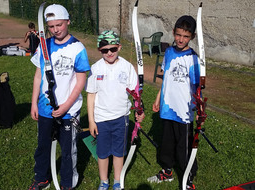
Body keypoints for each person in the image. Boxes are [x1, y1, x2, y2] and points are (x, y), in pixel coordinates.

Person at [29, 4, 90, 190]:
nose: (56, 30)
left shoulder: (77, 48)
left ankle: (66, 183)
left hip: (68, 110)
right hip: (45, 107)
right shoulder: (44, 45)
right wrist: (34, 103)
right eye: (51, 26)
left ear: (68, 22)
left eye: (59, 25)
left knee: (67, 150)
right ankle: (41, 177)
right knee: (43, 145)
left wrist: (66, 106)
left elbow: (80, 82)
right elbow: (38, 76)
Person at [86, 30, 145, 190]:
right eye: (105, 50)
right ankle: (104, 181)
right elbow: (91, 95)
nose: (109, 53)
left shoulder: (126, 67)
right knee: (103, 152)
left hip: (121, 118)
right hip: (101, 119)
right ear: (100, 50)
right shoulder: (95, 68)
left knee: (119, 151)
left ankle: (118, 181)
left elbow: (135, 93)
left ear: (119, 47)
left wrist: (140, 110)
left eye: (113, 49)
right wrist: (91, 120)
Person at [147, 15, 200, 190]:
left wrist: (198, 108)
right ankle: (167, 171)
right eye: (178, 35)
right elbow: (166, 78)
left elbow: (197, 87)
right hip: (168, 107)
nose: (181, 39)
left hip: (183, 111)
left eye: (186, 36)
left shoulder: (193, 59)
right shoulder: (169, 52)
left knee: (183, 146)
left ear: (191, 37)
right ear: (173, 33)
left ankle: (188, 179)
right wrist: (157, 98)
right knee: (167, 143)